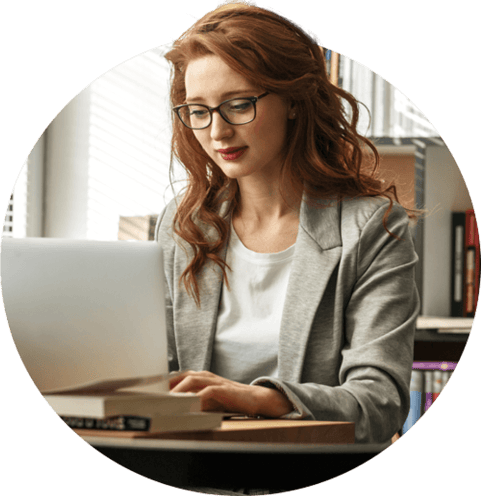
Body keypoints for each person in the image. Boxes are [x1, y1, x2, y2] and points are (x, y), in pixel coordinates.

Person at [155, 1, 420, 445]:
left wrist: (258, 399)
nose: (217, 132)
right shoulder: (183, 225)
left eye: (238, 105)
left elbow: (380, 404)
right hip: (191, 468)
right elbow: (151, 374)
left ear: (294, 101)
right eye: (198, 111)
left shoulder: (371, 227)